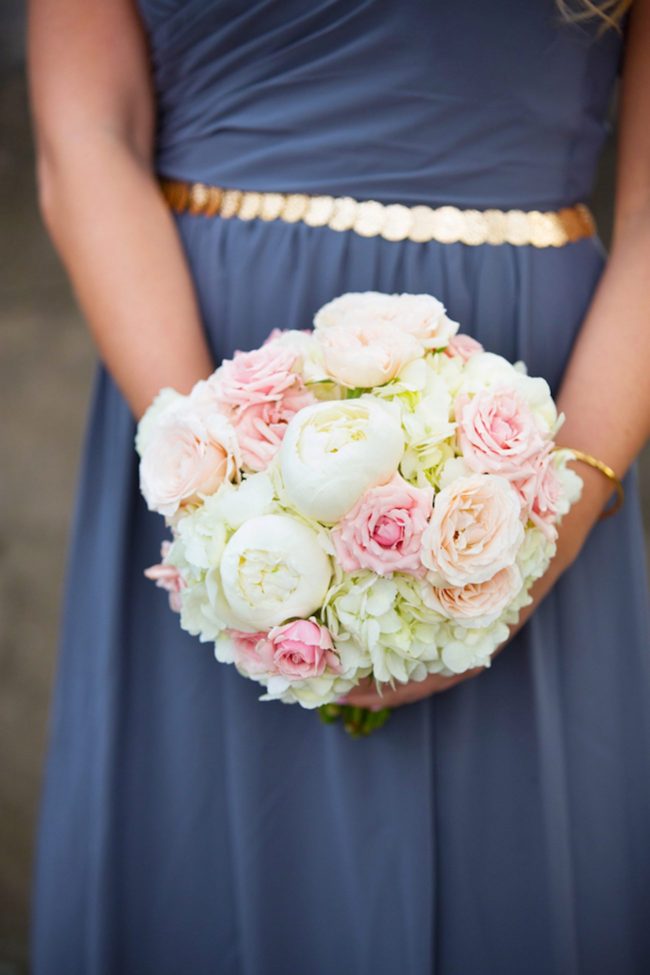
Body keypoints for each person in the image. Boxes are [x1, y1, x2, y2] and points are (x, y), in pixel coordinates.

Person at [27, 0, 650, 972]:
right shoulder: (209, 442)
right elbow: (87, 132)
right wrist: (221, 485)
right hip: (196, 356)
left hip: (540, 405)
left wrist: (537, 530)